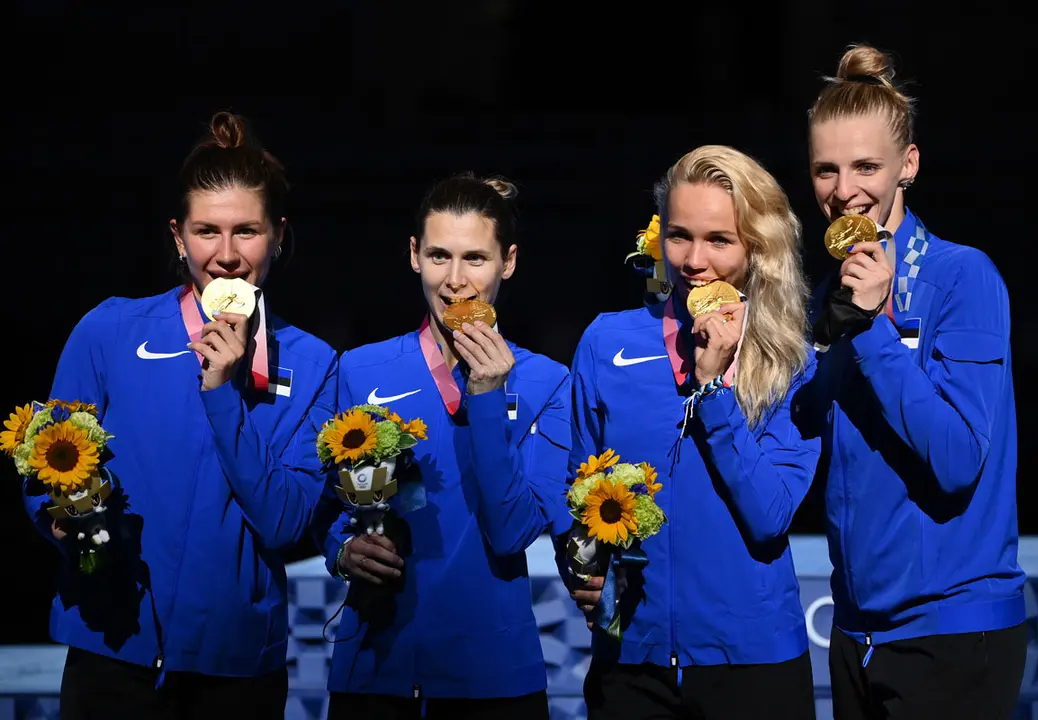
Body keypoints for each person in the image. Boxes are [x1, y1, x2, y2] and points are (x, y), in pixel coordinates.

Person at [21, 111, 338, 719]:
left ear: (278, 234)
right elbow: (46, 462)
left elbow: (283, 522)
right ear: (177, 237)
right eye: (205, 232)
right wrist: (55, 519)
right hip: (111, 650)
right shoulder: (111, 329)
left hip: (237, 669)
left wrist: (221, 391)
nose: (226, 255)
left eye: (246, 231)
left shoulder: (317, 364)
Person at [804, 44, 1027, 718]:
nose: (845, 191)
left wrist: (871, 328)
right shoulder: (827, 294)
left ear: (909, 165)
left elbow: (958, 461)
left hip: (953, 632)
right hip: (855, 630)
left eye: (867, 166)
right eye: (826, 169)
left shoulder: (964, 277)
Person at [567, 145, 820, 719]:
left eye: (719, 240)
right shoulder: (606, 343)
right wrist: (580, 564)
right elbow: (578, 487)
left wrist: (714, 391)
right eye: (679, 236)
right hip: (630, 662)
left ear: (757, 248)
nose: (693, 260)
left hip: (753, 664)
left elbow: (770, 515)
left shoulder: (792, 359)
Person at [317, 173, 570, 719]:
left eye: (476, 259)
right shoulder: (360, 369)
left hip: (494, 681)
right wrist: (343, 549)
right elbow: (325, 507)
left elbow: (511, 532)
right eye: (438, 256)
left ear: (509, 262)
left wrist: (485, 397)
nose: (455, 281)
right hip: (374, 673)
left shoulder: (549, 383)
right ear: (414, 255)